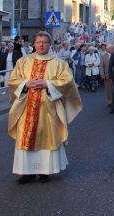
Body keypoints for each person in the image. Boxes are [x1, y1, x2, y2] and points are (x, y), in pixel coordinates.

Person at [7, 31, 83, 184]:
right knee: (26, 138)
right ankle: (26, 172)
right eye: (38, 42)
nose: (41, 45)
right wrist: (26, 84)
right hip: (26, 108)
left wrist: (47, 84)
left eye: (44, 42)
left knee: (48, 138)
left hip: (48, 110)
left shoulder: (58, 63)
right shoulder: (23, 62)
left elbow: (67, 82)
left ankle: (45, 171)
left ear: (49, 45)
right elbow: (13, 80)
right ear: (34, 44)